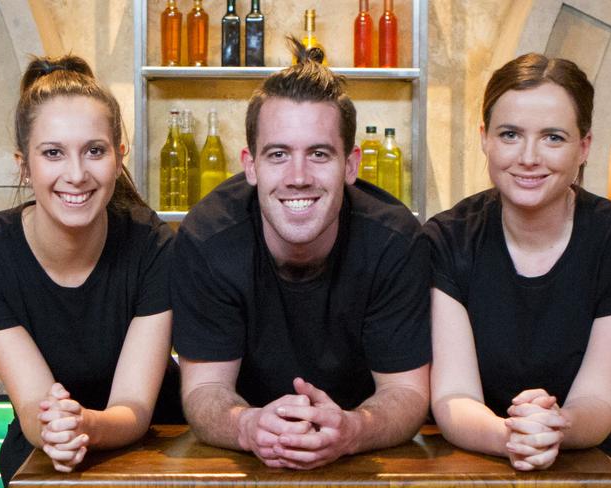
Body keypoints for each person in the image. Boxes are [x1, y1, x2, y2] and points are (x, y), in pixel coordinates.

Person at [171, 39, 430, 469]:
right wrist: (248, 425)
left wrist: (353, 429)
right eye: (278, 154)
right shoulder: (206, 239)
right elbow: (204, 390)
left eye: (319, 154)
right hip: (243, 462)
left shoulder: (395, 241)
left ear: (351, 165)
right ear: (249, 165)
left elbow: (406, 393)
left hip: (364, 458)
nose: (298, 177)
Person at [0, 55, 182, 485]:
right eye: (53, 153)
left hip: (153, 449)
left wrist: (86, 425)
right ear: (23, 165)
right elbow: (34, 403)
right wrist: (57, 428)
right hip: (44, 450)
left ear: (118, 156)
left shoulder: (154, 246)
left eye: (94, 151)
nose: (76, 174)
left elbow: (134, 407)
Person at [425, 53, 611, 471]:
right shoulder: (448, 238)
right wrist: (512, 437)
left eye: (553, 137)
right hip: (474, 459)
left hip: (584, 463)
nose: (529, 157)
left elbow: (600, 400)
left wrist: (556, 427)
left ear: (584, 146)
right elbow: (453, 396)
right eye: (510, 134)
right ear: (485, 138)